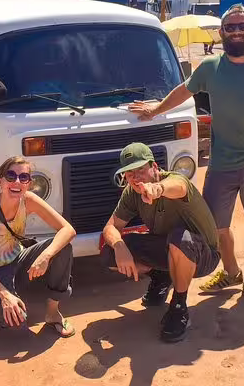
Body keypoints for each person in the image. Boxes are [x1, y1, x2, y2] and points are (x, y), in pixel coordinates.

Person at [127, 4, 244, 306]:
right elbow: (183, 90)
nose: (238, 31)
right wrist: (155, 110)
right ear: (222, 33)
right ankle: (231, 272)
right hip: (222, 164)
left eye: (243, 26)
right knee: (213, 225)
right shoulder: (210, 68)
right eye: (231, 27)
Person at [100, 143, 220, 342]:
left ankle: (179, 307)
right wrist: (120, 247)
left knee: (179, 238)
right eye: (130, 174)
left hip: (204, 254)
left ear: (154, 167)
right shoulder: (131, 193)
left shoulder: (174, 180)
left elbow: (179, 187)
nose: (136, 178)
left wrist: (158, 189)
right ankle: (161, 276)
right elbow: (110, 228)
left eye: (140, 170)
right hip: (170, 248)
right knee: (109, 253)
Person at [0, 156, 77, 337]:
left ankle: (52, 312)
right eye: (10, 176)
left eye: (23, 177)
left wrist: (46, 255)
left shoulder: (29, 200)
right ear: (0, 180)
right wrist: (5, 296)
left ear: (29, 183)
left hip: (15, 260)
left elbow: (68, 230)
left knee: (63, 247)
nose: (17, 182)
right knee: (17, 323)